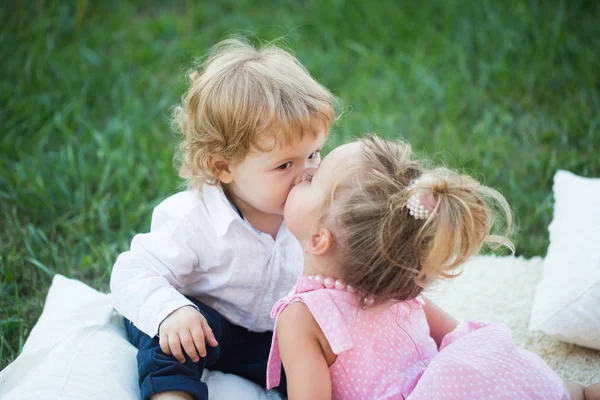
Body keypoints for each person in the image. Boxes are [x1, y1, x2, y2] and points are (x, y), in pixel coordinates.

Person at [266, 135, 600, 400]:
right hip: (476, 384)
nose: (305, 172)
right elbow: (458, 338)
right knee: (572, 392)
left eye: (312, 179)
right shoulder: (395, 287)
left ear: (320, 239)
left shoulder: (301, 317)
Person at [110, 37, 335, 400]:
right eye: (284, 165)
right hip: (201, 324)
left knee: (316, 359)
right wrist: (170, 311)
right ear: (224, 167)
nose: (307, 173)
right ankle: (172, 395)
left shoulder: (317, 210)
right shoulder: (191, 218)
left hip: (269, 336)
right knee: (168, 341)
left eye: (314, 154)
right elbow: (132, 272)